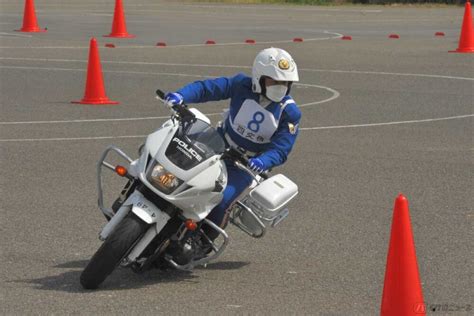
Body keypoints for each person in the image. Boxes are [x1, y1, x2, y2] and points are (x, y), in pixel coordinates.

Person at [164, 47, 301, 253]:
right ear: (259, 78)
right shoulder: (241, 85)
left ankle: (201, 242)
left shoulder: (289, 113)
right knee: (173, 162)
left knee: (221, 200)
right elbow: (208, 88)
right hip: (217, 143)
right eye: (274, 81)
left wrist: (263, 161)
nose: (279, 87)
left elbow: (281, 148)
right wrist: (181, 95)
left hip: (244, 164)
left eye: (285, 83)